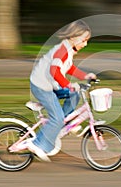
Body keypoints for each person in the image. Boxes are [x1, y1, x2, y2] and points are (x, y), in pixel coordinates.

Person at [23, 20, 96, 161]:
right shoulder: (62, 51)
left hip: (51, 85)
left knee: (75, 94)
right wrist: (68, 84)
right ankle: (38, 144)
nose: (85, 44)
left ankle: (65, 123)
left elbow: (68, 68)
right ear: (74, 37)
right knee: (56, 118)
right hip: (42, 86)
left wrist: (85, 76)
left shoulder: (69, 50)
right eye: (84, 40)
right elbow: (54, 71)